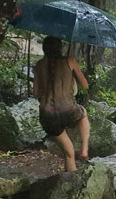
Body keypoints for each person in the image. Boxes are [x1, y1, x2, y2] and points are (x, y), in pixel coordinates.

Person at [33, 37, 90, 172]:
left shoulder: (38, 65)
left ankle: (69, 184)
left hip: (47, 115)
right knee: (83, 115)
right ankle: (84, 149)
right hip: (68, 110)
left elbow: (36, 93)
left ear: (44, 49)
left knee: (69, 153)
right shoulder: (69, 60)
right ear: (60, 48)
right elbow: (85, 85)